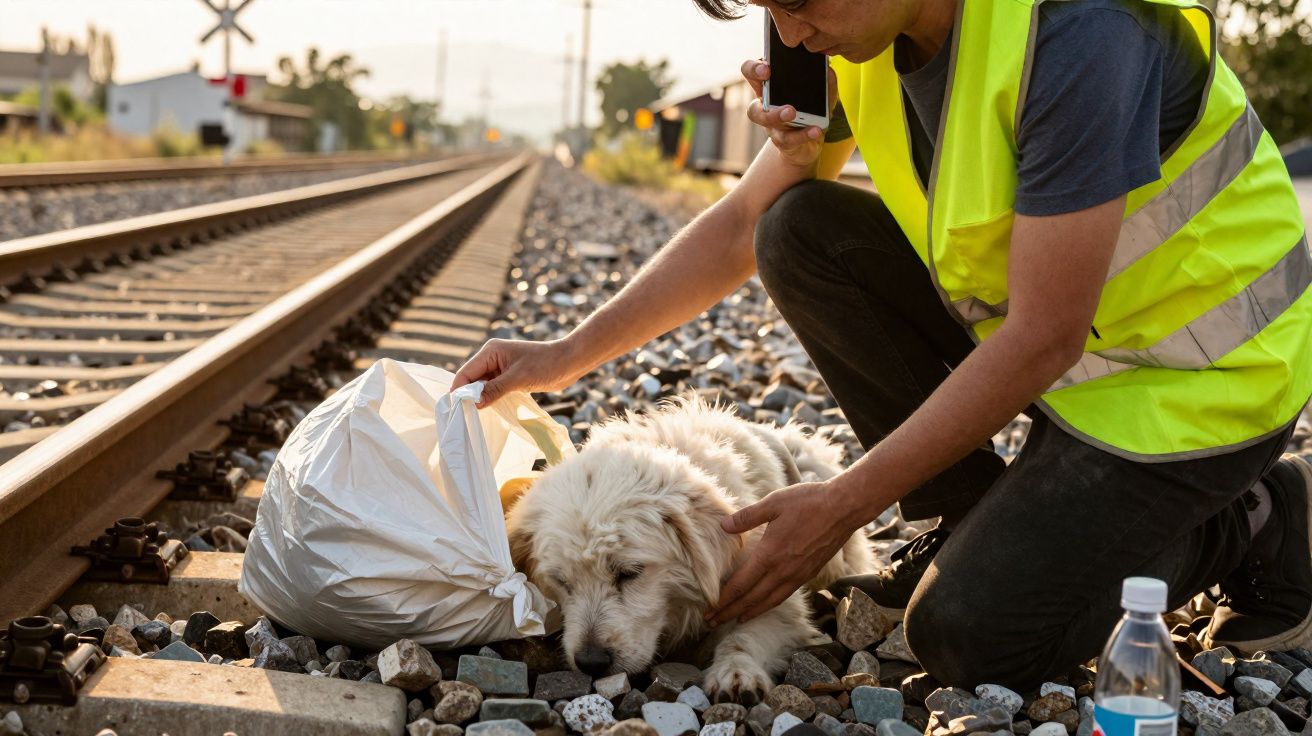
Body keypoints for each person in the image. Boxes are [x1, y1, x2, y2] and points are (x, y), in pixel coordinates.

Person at [452, 0, 1312, 690]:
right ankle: (969, 513)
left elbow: (1043, 337)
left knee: (966, 639)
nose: (785, 33)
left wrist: (843, 503)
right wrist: (559, 354)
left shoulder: (1082, 35)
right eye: (765, 8)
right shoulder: (839, 36)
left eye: (794, 4)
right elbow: (746, 225)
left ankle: (1255, 520)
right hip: (1070, 356)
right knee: (799, 226)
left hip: (1197, 384)